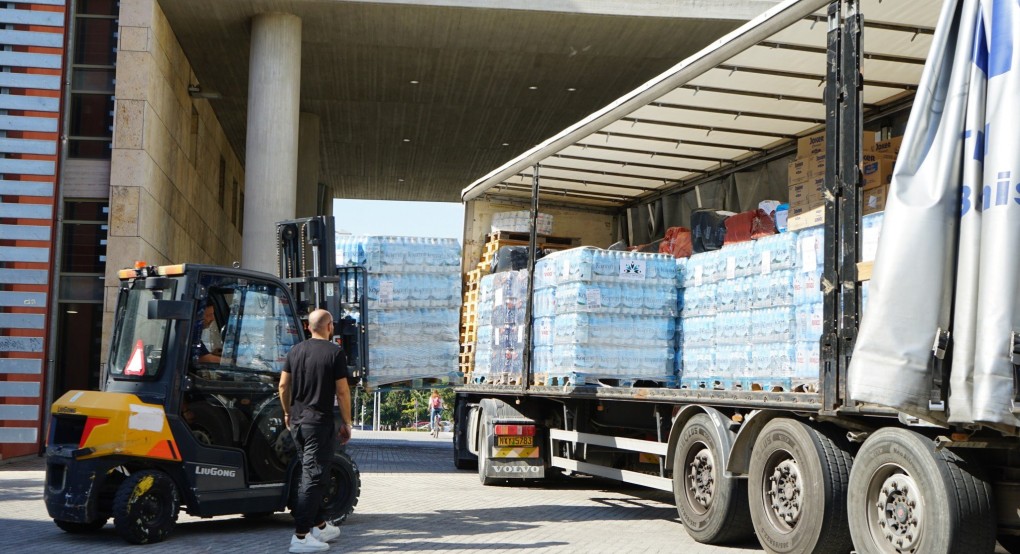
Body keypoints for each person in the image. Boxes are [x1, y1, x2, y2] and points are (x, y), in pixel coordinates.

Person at [279, 309, 352, 553]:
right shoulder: (335, 353)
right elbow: (342, 392)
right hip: (318, 425)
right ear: (330, 326)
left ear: (308, 327)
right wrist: (347, 422)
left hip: (298, 423)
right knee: (312, 477)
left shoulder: (295, 350)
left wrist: (287, 412)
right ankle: (300, 538)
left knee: (311, 474)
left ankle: (320, 526)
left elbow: (282, 385)